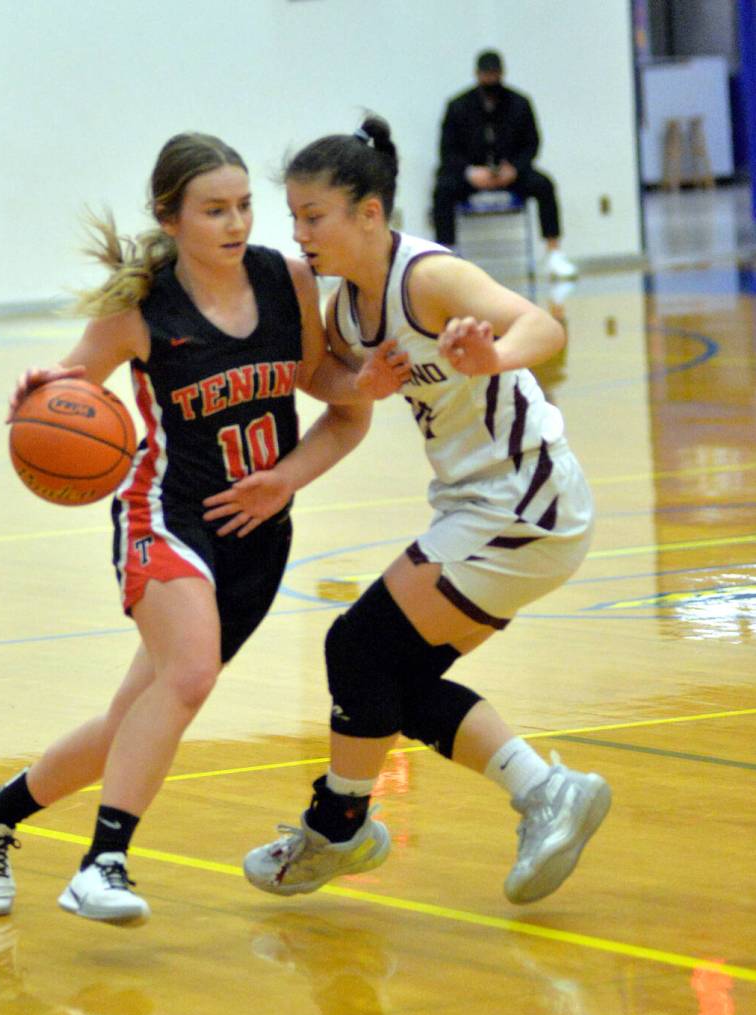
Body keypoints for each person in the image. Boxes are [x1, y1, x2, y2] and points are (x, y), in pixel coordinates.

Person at [0, 132, 410, 927]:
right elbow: (59, 397)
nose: (235, 223)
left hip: (258, 531)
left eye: (243, 206)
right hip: (164, 515)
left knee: (135, 719)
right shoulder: (141, 311)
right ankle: (103, 861)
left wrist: (355, 386)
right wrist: (34, 397)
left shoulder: (288, 280)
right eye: (213, 210)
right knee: (190, 676)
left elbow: (321, 385)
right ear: (171, 218)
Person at [222, 115, 610, 905]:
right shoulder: (348, 310)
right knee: (390, 676)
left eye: (313, 217)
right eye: (292, 217)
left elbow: (541, 321)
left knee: (357, 645)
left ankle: (339, 828)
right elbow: (337, 396)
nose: (299, 233)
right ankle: (543, 792)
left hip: (526, 500)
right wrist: (296, 464)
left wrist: (493, 355)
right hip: (478, 504)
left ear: (369, 212)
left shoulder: (427, 277)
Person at [431, 50, 578, 281]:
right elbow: (447, 151)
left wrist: (514, 169)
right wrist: (471, 172)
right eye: (486, 74)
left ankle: (554, 253)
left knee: (544, 184)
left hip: (510, 173)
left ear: (502, 74)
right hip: (473, 174)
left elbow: (532, 144)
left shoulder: (520, 103)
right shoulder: (458, 106)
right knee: (443, 188)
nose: (490, 80)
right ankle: (447, 255)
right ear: (477, 75)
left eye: (494, 74)